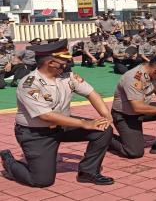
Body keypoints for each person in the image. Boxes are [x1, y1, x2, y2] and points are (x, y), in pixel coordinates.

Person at [0, 39, 114, 187]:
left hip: (62, 124)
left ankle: (88, 171)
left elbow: (91, 93)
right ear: (51, 63)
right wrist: (85, 123)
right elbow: (45, 115)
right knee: (41, 181)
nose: (68, 63)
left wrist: (106, 116)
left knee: (103, 129)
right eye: (64, 61)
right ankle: (9, 161)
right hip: (36, 133)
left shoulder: (67, 76)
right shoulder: (29, 83)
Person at [109, 49, 156, 158]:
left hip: (142, 109)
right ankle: (106, 138)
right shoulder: (134, 77)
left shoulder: (155, 75)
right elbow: (137, 107)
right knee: (134, 152)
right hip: (125, 115)